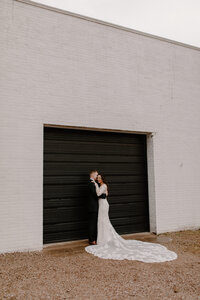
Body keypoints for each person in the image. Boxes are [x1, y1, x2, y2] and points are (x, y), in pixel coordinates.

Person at [85, 174, 178, 263]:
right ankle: (102, 238)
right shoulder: (100, 185)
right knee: (101, 221)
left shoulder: (103, 185)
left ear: (103, 179)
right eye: (98, 178)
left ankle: (104, 239)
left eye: (100, 178)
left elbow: (98, 194)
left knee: (104, 221)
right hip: (101, 205)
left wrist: (95, 185)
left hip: (103, 205)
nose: (98, 179)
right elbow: (102, 194)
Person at [87, 170, 106, 245]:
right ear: (93, 175)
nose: (97, 177)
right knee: (92, 223)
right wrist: (104, 196)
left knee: (93, 223)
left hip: (94, 206)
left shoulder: (93, 183)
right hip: (92, 207)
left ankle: (93, 238)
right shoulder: (91, 183)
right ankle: (92, 240)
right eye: (96, 175)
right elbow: (95, 194)